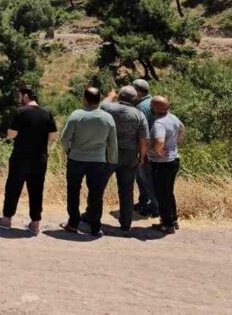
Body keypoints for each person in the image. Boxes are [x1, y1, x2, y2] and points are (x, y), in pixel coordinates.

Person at [0, 85, 57, 234]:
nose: (19, 99)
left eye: (20, 96)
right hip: (40, 158)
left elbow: (11, 134)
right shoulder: (47, 113)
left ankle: (6, 220)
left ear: (26, 96)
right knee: (36, 190)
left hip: (20, 157)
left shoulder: (20, 112)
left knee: (13, 188)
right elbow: (53, 137)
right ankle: (35, 224)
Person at [59, 87, 118, 237]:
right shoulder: (107, 118)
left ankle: (73, 223)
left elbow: (64, 138)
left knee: (73, 191)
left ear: (84, 99)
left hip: (76, 159)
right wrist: (111, 160)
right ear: (99, 100)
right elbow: (112, 143)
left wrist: (68, 150)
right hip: (98, 161)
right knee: (96, 194)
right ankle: (95, 227)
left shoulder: (76, 115)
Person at [100, 85, 149, 232]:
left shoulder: (108, 108)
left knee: (98, 186)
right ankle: (126, 223)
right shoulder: (139, 115)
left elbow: (102, 103)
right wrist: (142, 156)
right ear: (134, 99)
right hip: (130, 155)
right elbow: (143, 138)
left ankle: (92, 216)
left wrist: (111, 95)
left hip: (109, 153)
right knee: (127, 190)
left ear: (120, 96)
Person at [149, 96, 185, 235]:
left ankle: (167, 224)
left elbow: (159, 140)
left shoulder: (159, 123)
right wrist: (174, 144)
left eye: (152, 105)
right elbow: (182, 130)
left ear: (156, 107)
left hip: (162, 164)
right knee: (168, 192)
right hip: (173, 160)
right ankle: (173, 220)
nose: (150, 107)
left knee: (161, 194)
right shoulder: (173, 118)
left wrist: (157, 151)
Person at [132, 78, 159, 218]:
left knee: (145, 179)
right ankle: (144, 202)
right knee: (144, 178)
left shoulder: (141, 107)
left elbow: (143, 132)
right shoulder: (153, 102)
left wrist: (142, 152)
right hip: (154, 148)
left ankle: (153, 207)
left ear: (138, 92)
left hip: (145, 149)